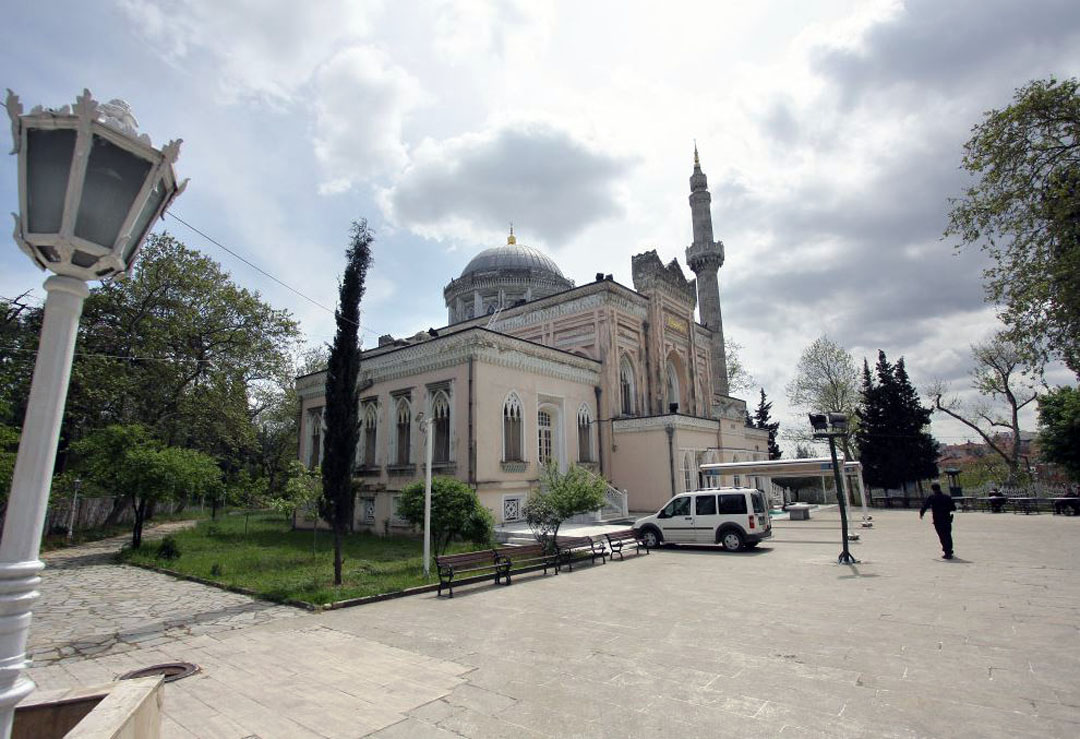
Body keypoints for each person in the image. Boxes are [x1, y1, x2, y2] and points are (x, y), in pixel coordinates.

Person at [920, 482, 957, 559]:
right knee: (948, 535)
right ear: (939, 488)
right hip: (947, 519)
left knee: (942, 536)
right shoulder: (947, 497)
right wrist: (946, 509)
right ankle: (949, 550)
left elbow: (925, 506)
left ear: (933, 489)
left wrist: (921, 513)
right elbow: (954, 508)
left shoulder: (932, 497)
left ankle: (947, 552)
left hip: (937, 520)